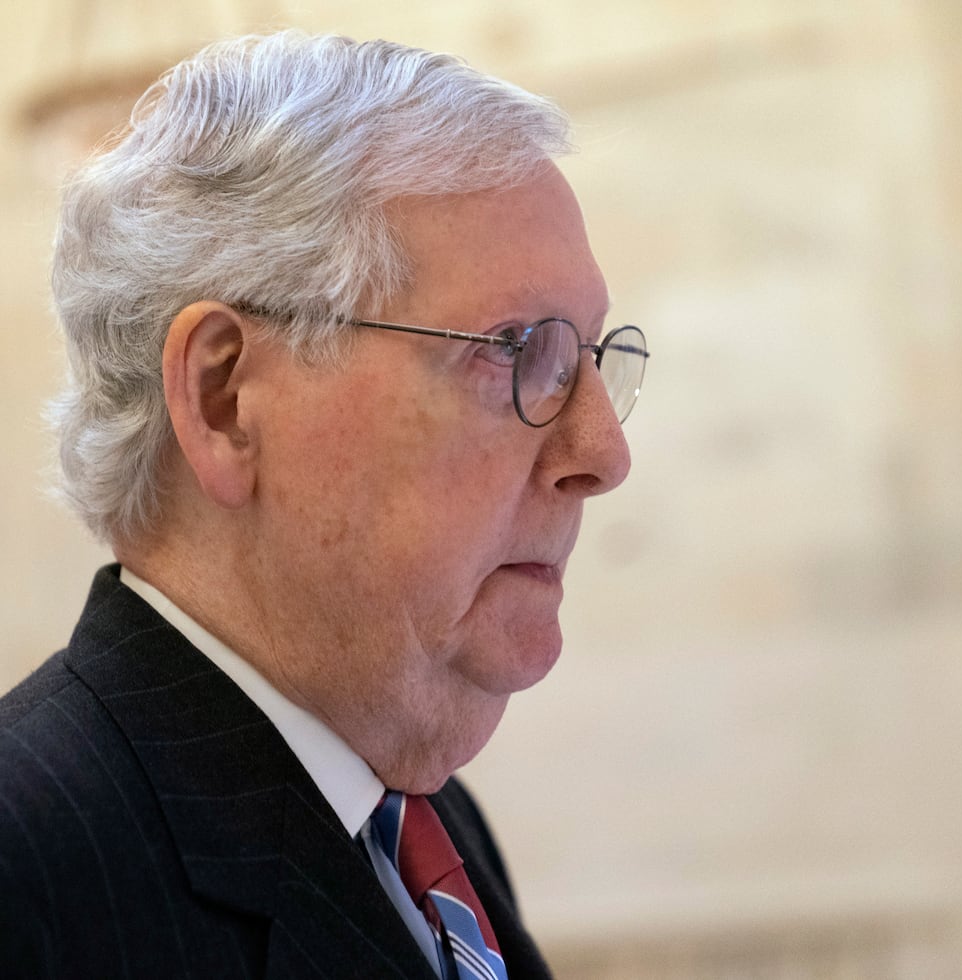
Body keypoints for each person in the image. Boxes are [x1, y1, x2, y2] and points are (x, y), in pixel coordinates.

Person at [0, 30, 646, 979]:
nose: (603, 453)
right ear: (226, 398)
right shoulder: (28, 877)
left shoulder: (420, 821)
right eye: (514, 349)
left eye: (589, 359)